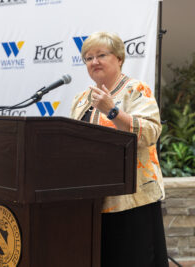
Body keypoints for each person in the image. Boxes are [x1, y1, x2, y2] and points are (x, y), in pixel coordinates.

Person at [70, 32, 168, 267]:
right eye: (88, 58)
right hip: (93, 201)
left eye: (101, 55)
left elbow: (150, 132)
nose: (94, 62)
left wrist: (112, 111)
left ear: (119, 59)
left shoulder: (136, 90)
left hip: (133, 199)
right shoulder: (82, 99)